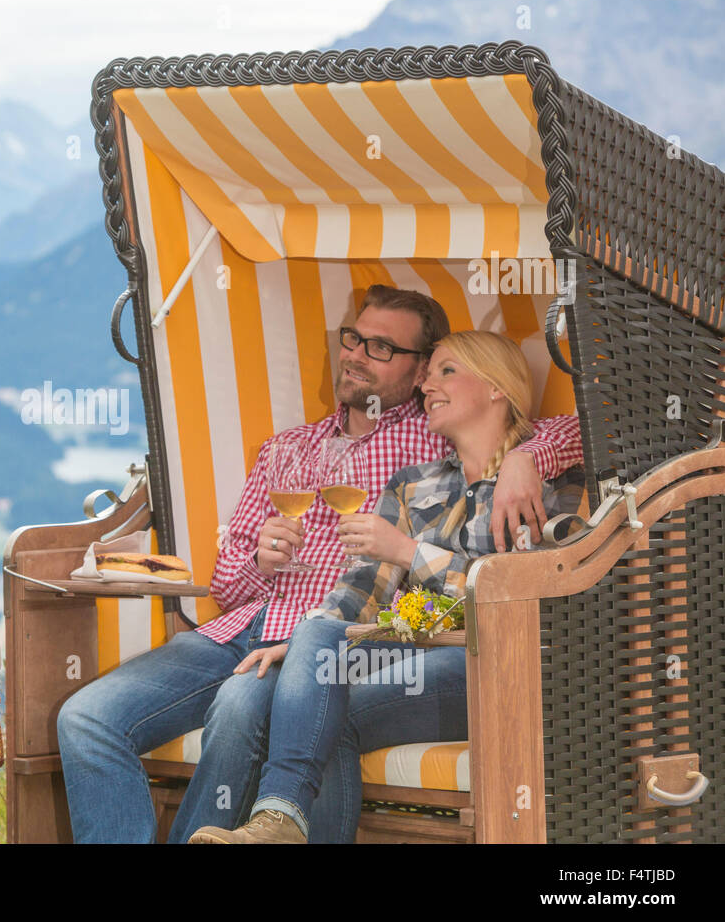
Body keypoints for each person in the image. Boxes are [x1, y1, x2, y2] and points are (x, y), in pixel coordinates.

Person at [56, 286, 584, 843]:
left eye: (381, 348)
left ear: (417, 368)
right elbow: (231, 584)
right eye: (353, 338)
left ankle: (261, 822)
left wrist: (528, 456)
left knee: (250, 706)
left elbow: (565, 433)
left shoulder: (426, 438)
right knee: (85, 719)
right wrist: (261, 559)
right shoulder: (298, 450)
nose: (355, 354)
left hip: (374, 645)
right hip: (255, 630)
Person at [187, 330, 586, 844]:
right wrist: (303, 647)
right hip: (417, 649)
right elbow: (360, 588)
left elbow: (517, 597)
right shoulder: (412, 483)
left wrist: (407, 551)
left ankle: (280, 818)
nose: (427, 388)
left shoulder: (551, 483)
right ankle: (279, 818)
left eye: (446, 372)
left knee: (329, 714)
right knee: (319, 654)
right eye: (429, 375)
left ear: (496, 388)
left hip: (501, 666)